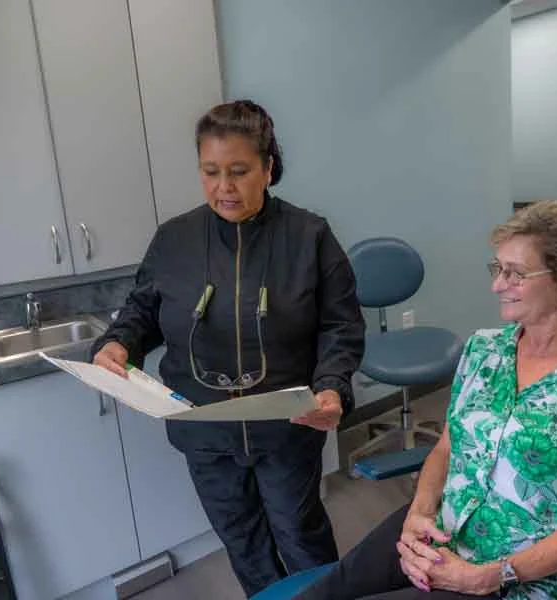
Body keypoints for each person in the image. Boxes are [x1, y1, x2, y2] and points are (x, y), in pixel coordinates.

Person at [296, 200, 557, 600]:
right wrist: (419, 513)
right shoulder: (484, 350)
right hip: (445, 528)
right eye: (497, 269)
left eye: (515, 274)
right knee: (322, 593)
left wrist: (486, 577)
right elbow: (446, 449)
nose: (497, 285)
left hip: (520, 578)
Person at [91, 100, 366, 597]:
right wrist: (117, 343)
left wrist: (332, 388)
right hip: (205, 433)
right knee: (241, 540)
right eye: (211, 171)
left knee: (299, 533)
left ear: (268, 168)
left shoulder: (309, 237)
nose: (224, 186)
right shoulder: (174, 239)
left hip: (287, 428)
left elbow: (340, 326)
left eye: (239, 171)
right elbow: (143, 309)